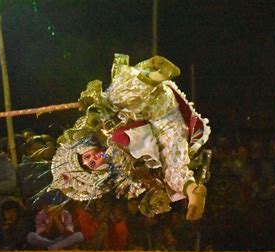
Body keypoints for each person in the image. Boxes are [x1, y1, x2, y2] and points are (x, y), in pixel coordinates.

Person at [49, 54, 211, 221]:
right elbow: (152, 175)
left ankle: (158, 72)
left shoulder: (93, 128)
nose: (93, 158)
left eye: (87, 156)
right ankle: (193, 191)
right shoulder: (123, 172)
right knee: (172, 171)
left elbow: (98, 106)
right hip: (166, 124)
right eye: (92, 163)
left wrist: (91, 103)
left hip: (151, 99)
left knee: (114, 95)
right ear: (98, 171)